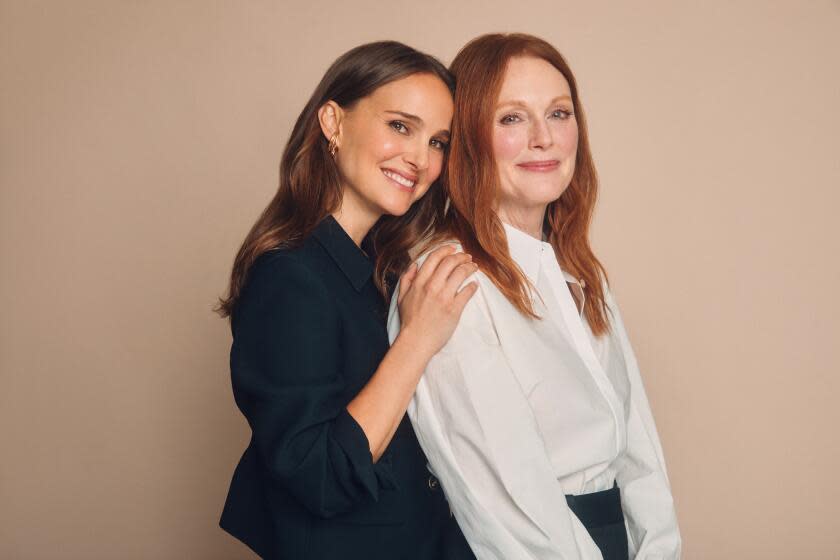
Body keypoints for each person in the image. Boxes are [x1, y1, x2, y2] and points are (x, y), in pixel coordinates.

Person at [387, 33, 682, 559]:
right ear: (470, 139)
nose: (543, 138)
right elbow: (506, 496)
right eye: (512, 119)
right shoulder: (448, 281)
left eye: (560, 113)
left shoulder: (581, 272)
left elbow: (639, 452)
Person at [216, 41, 479, 560]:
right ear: (333, 122)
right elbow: (320, 477)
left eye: (438, 142)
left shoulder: (379, 267)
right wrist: (418, 340)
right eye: (400, 126)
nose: (420, 159)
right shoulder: (289, 275)